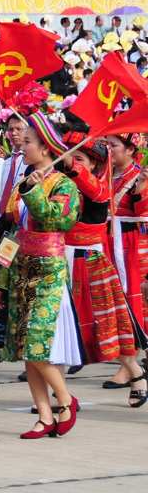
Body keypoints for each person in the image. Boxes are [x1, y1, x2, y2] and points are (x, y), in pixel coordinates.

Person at [0, 113, 80, 439]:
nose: (21, 147)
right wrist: (1, 278)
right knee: (24, 347)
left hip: (49, 270)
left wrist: (32, 191)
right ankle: (43, 415)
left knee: (38, 344)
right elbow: (14, 232)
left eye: (27, 143)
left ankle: (65, 401)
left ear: (45, 148)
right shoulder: (25, 180)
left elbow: (57, 220)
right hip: (21, 268)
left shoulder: (64, 184)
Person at [59, 135, 147, 407]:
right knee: (58, 327)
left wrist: (68, 163)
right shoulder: (61, 186)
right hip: (59, 261)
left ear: (95, 165)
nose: (74, 165)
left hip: (89, 263)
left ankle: (135, 372)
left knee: (103, 325)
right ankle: (59, 394)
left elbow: (88, 185)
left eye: (81, 160)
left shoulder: (97, 188)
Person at [103, 133, 148, 390]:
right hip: (110, 241)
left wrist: (142, 188)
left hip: (131, 244)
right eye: (107, 145)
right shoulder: (106, 174)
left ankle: (129, 364)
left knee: (132, 300)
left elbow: (143, 212)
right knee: (115, 299)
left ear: (131, 149)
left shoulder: (138, 176)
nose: (110, 150)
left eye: (115, 146)